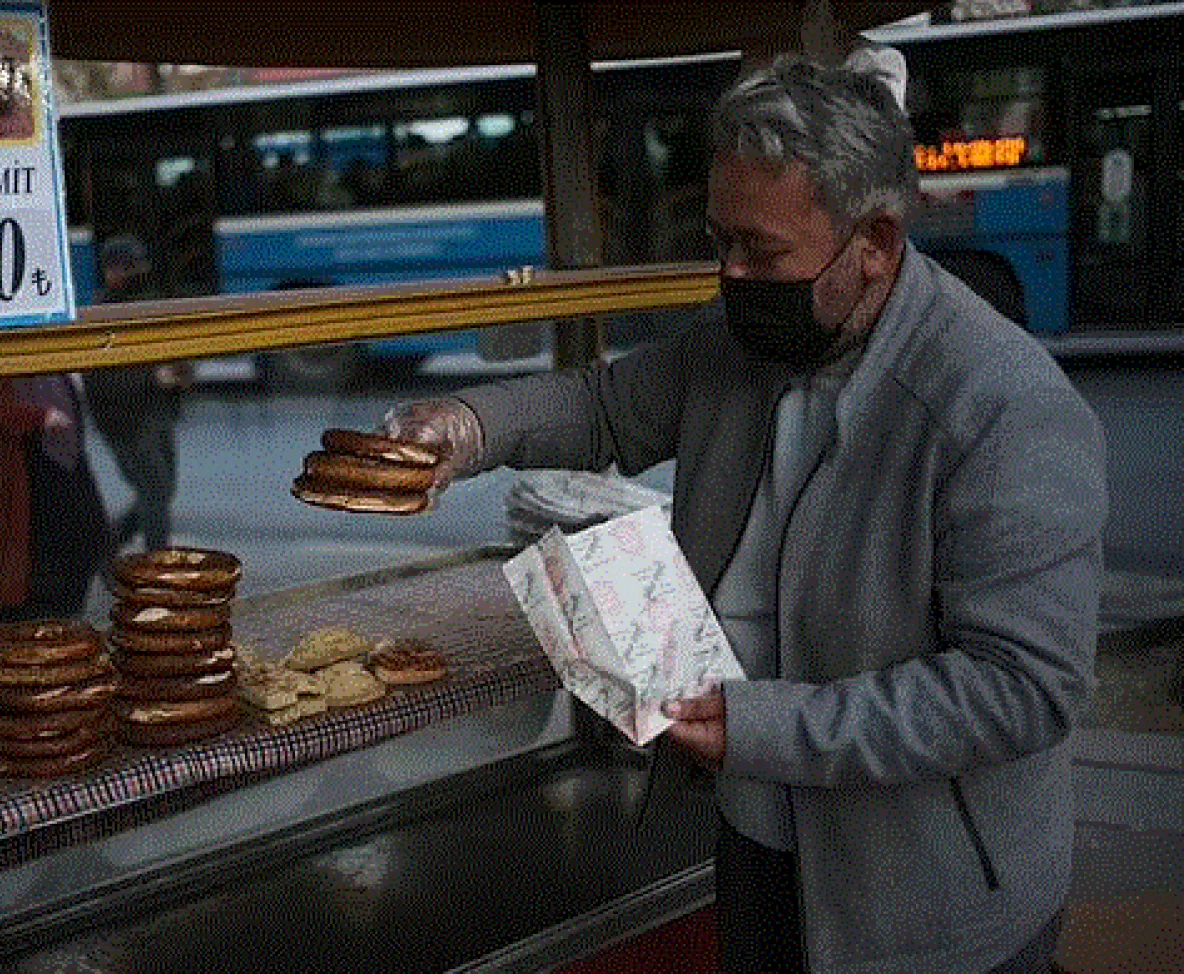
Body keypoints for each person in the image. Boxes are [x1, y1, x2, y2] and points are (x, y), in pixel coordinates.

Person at [383, 57, 1106, 974]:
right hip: (752, 843)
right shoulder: (738, 342)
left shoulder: (1001, 408)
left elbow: (1022, 688)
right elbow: (606, 405)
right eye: (718, 239)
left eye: (762, 253)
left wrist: (761, 728)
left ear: (876, 240)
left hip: (924, 899)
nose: (730, 276)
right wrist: (472, 425)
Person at [0, 373, 110, 624]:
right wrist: (39, 417)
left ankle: (61, 624)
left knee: (87, 541)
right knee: (38, 570)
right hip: (30, 463)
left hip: (58, 457)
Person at [81, 234, 187, 553]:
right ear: (110, 272)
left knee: (163, 491)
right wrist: (156, 378)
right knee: (155, 494)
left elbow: (173, 348)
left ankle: (107, 546)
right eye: (125, 268)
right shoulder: (102, 313)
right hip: (126, 422)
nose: (132, 274)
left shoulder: (146, 302)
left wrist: (179, 374)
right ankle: (157, 563)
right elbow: (102, 381)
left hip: (156, 413)